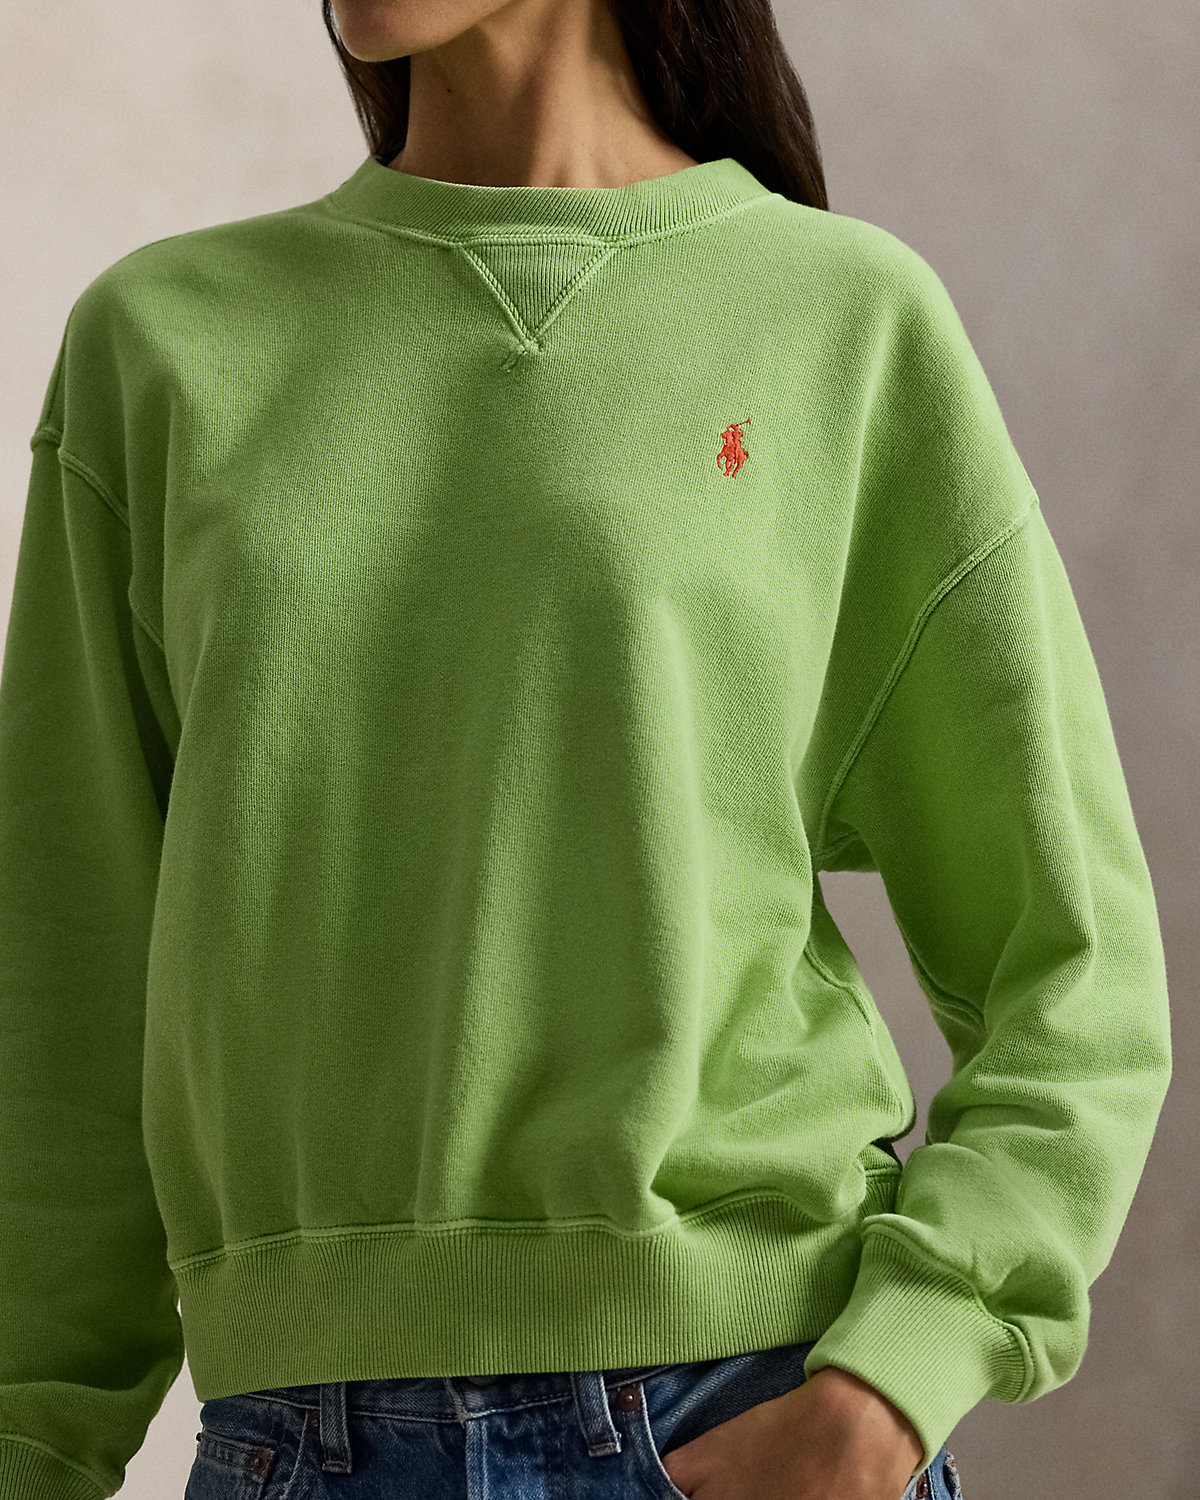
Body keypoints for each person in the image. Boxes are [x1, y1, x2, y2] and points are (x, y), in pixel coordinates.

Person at [0, 1, 1172, 1497]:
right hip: (303, 1447)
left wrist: (895, 1382)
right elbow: (64, 1007)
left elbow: (1075, 974)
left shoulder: (840, 319)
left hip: (753, 1398)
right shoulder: (161, 341)